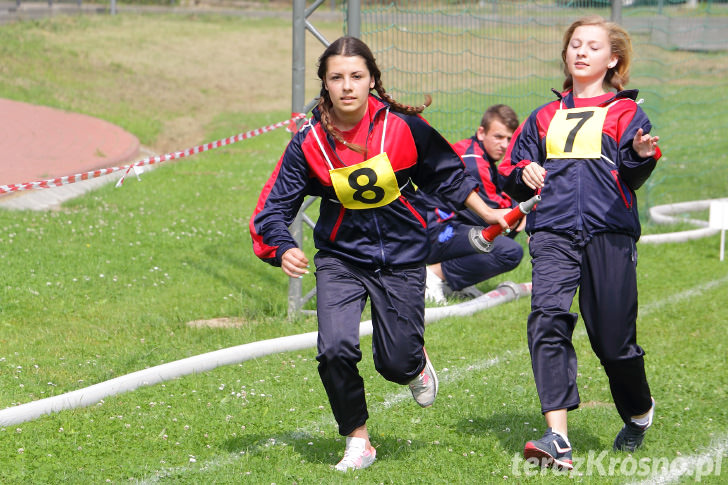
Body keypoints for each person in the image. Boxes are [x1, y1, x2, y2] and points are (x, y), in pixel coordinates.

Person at [249, 36, 509, 472]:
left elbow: (448, 176)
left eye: (356, 76)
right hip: (341, 258)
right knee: (333, 349)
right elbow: (272, 208)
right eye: (337, 77)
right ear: (325, 84)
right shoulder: (309, 141)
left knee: (395, 362)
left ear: (373, 80)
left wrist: (489, 214)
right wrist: (282, 247)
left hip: (404, 256)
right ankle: (358, 440)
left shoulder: (403, 128)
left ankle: (414, 363)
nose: (347, 86)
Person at [498, 16, 661, 470]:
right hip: (552, 232)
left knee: (613, 344)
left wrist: (641, 155)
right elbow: (512, 169)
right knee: (547, 318)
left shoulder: (627, 113)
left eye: (592, 46)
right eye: (574, 44)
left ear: (613, 60)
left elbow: (631, 169)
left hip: (609, 232)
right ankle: (557, 438)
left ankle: (639, 411)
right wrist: (522, 173)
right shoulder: (543, 117)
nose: (581, 52)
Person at [421, 104, 525, 304]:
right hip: (433, 232)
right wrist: (525, 211)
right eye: (498, 137)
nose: (504, 145)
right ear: (481, 132)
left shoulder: (477, 153)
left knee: (509, 224)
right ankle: (433, 275)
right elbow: (494, 212)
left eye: (509, 139)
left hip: (440, 228)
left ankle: (455, 281)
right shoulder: (473, 162)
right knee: (510, 251)